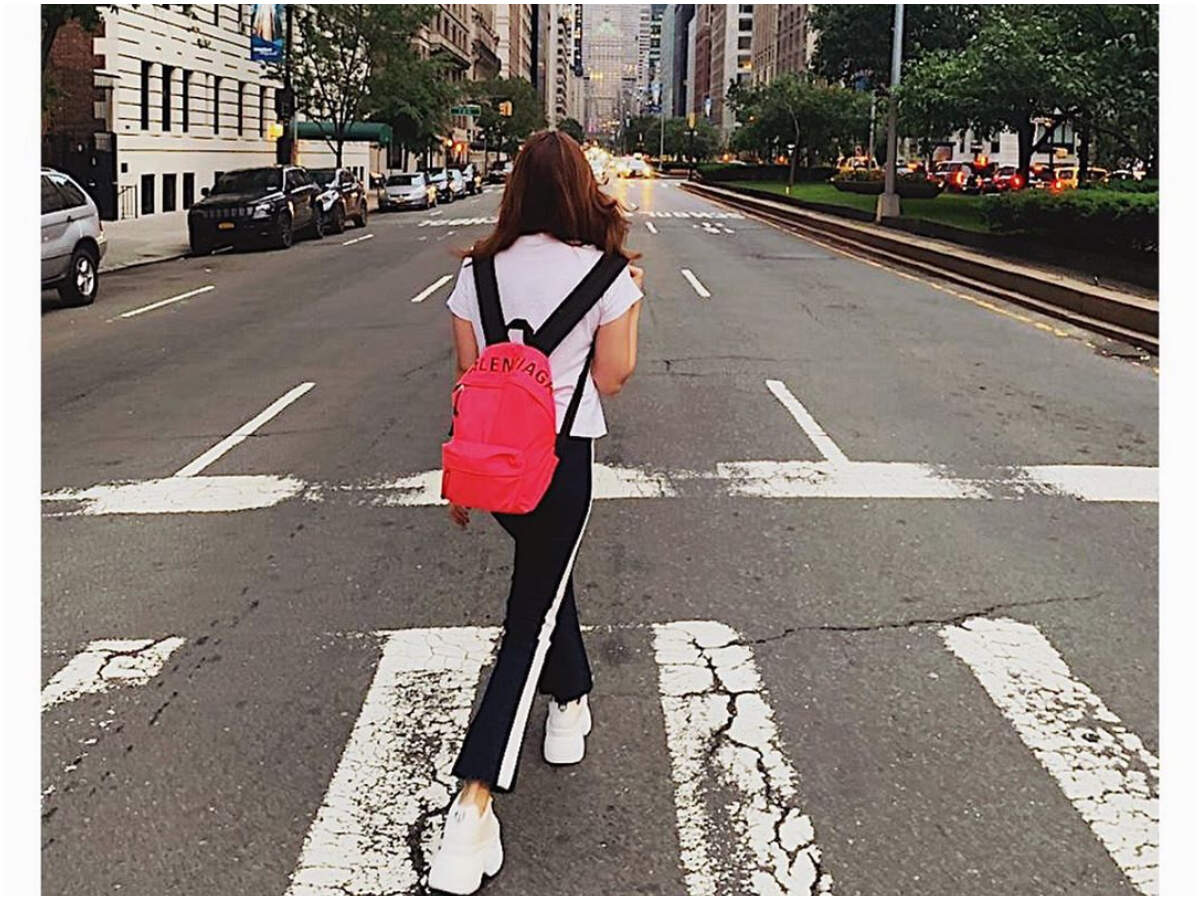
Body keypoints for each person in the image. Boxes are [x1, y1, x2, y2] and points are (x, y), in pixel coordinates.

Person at [428, 130, 644, 895]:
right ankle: (471, 809)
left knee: (545, 586)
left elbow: (469, 375)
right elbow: (613, 376)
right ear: (583, 189)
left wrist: (460, 479)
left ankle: (571, 703)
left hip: (494, 467)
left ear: (516, 189)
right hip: (561, 462)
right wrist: (611, 316)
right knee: (530, 619)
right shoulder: (607, 274)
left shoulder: (478, 273)